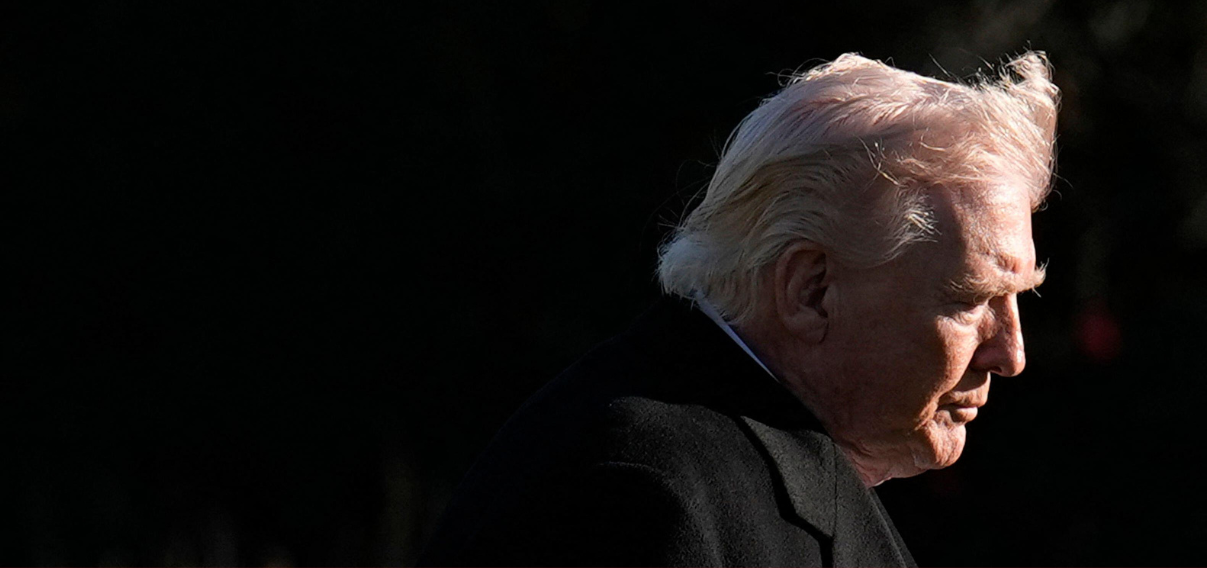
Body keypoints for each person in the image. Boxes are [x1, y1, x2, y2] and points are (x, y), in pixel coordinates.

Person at [419, 53, 1059, 567]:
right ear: (810, 291)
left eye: (1018, 298)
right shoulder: (646, 494)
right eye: (969, 299)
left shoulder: (726, 473)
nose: (1011, 354)